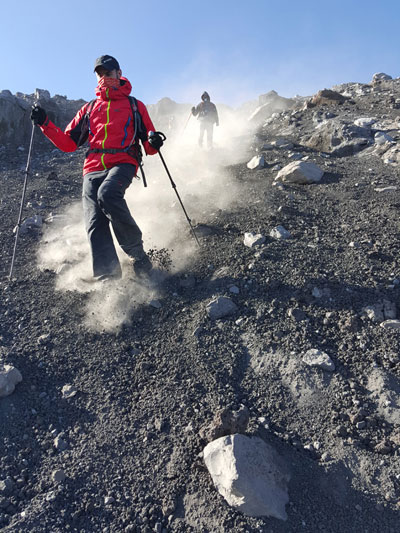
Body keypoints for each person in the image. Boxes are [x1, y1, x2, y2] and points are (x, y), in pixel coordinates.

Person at [30, 55, 164, 281]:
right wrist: (45, 123)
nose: (104, 78)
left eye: (108, 74)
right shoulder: (90, 108)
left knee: (108, 194)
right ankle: (108, 279)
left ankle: (138, 255)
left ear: (119, 74)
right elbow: (69, 143)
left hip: (124, 162)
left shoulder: (135, 106)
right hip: (92, 168)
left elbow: (149, 147)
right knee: (94, 220)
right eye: (100, 74)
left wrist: (154, 142)